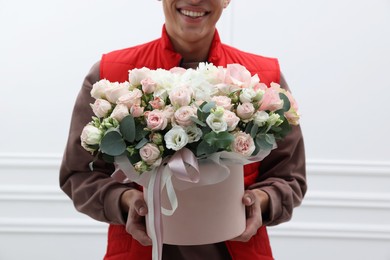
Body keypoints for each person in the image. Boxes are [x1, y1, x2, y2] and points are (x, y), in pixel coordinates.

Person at [60, 0, 307, 259]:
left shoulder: (264, 81)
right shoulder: (110, 78)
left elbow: (290, 177)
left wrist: (260, 200)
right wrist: (125, 202)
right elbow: (78, 174)